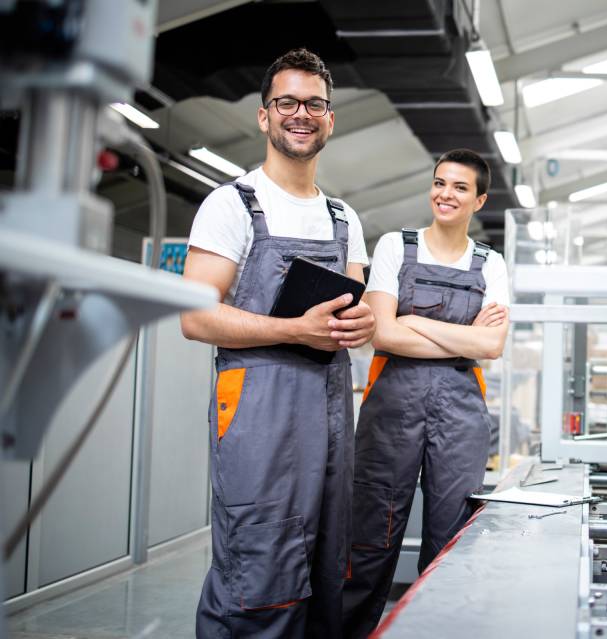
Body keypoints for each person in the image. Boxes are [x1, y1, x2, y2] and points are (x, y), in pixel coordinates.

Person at [180, 48, 374, 638]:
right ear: (264, 116)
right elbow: (194, 317)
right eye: (286, 102)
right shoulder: (231, 205)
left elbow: (356, 312)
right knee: (257, 570)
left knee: (325, 564)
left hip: (331, 410)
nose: (301, 114)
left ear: (330, 119)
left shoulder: (345, 218)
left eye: (315, 104)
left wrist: (360, 327)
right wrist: (294, 329)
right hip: (258, 410)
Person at [343, 148, 510, 637]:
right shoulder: (397, 245)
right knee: (371, 539)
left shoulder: (491, 262)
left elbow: (492, 344)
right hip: (392, 407)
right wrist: (461, 337)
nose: (445, 194)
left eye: (460, 187)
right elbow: (385, 336)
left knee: (450, 541)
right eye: (439, 183)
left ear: (479, 200)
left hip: (460, 415)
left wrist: (414, 319)